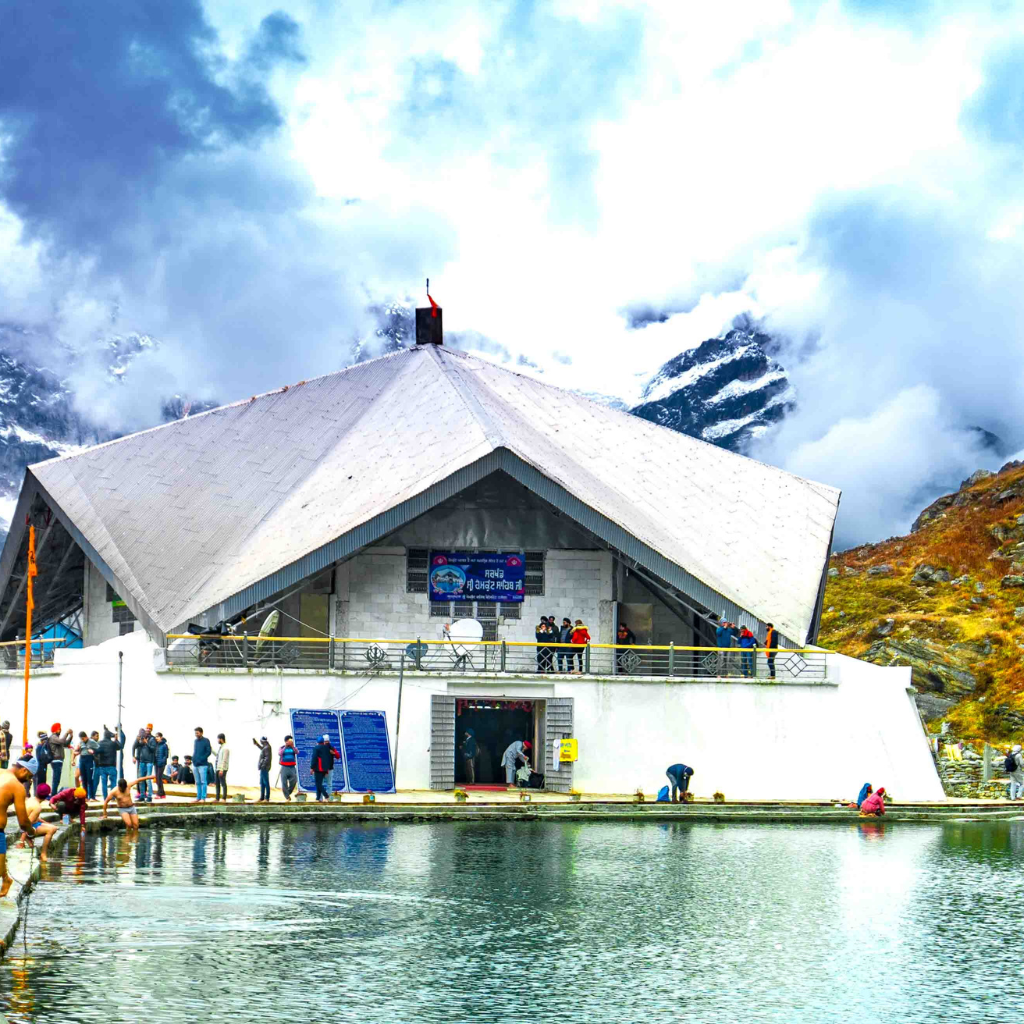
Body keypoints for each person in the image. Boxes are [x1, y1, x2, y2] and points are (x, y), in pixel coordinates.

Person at [0, 755, 38, 897]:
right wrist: (31, 832)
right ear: (23, 770)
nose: (28, 780)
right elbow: (23, 821)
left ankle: (5, 879)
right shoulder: (17, 786)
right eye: (29, 776)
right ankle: (6, 878)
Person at [22, 783, 58, 860]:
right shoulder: (37, 807)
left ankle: (28, 838)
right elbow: (28, 823)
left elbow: (35, 818)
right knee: (51, 830)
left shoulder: (31, 800)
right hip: (30, 829)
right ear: (46, 796)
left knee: (54, 827)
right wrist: (21, 841)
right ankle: (43, 854)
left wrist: (45, 823)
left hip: (33, 825)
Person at [95, 726, 124, 799]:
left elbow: (95, 752)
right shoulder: (113, 743)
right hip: (111, 766)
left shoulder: (99, 743)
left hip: (102, 766)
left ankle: (105, 798)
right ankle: (113, 797)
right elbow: (120, 746)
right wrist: (116, 740)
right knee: (113, 782)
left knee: (104, 783)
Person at [310, 734, 339, 802]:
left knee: (319, 784)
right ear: (323, 741)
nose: (327, 742)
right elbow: (328, 759)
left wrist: (312, 768)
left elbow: (314, 758)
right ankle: (318, 798)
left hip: (319, 769)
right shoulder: (328, 748)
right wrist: (327, 769)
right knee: (325, 784)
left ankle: (326, 796)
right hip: (326, 769)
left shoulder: (316, 748)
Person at [46, 723, 73, 791]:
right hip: (56, 760)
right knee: (56, 779)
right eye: (59, 729)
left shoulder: (57, 738)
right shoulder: (53, 737)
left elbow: (66, 744)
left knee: (57, 779)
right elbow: (62, 741)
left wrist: (71, 736)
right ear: (55, 730)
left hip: (59, 761)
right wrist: (67, 733)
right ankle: (53, 794)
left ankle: (54, 794)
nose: (60, 730)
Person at [132, 725, 156, 803]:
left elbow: (153, 749)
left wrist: (147, 743)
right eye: (147, 728)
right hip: (142, 761)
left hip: (149, 762)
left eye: (149, 729)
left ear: (151, 729)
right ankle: (142, 795)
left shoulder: (152, 739)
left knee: (148, 780)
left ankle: (149, 796)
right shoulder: (142, 737)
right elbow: (134, 746)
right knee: (141, 779)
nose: (148, 730)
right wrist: (137, 739)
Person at [75, 731, 98, 800]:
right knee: (83, 779)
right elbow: (77, 750)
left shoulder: (92, 742)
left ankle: (92, 796)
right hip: (82, 759)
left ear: (86, 737)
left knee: (89, 779)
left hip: (89, 759)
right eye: (81, 739)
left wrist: (93, 751)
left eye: (83, 738)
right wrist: (77, 751)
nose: (82, 740)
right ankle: (85, 796)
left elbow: (99, 749)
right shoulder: (80, 742)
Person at [193, 727, 212, 802]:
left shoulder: (206, 741)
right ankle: (198, 797)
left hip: (203, 764)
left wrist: (202, 759)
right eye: (195, 733)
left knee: (203, 781)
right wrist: (193, 759)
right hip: (195, 764)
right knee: (197, 782)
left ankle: (203, 797)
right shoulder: (195, 741)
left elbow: (208, 751)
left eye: (197, 733)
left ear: (201, 733)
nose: (196, 735)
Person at [253, 736, 272, 802]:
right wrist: (256, 744)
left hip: (264, 767)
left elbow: (267, 758)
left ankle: (267, 798)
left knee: (266, 782)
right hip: (263, 767)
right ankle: (262, 797)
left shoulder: (267, 747)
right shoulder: (266, 747)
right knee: (262, 783)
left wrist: (262, 765)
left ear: (263, 741)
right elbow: (262, 749)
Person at [279, 736, 298, 801]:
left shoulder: (293, 748)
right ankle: (287, 797)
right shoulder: (282, 747)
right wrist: (285, 746)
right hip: (284, 767)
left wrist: (292, 746)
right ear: (286, 741)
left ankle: (288, 793)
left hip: (292, 767)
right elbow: (280, 753)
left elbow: (297, 752)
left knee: (294, 780)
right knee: (284, 782)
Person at [153, 732, 169, 799]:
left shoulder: (164, 745)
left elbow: (166, 755)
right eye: (156, 736)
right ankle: (162, 793)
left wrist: (162, 761)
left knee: (159, 778)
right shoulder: (156, 745)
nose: (156, 738)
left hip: (161, 764)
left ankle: (159, 793)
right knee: (157, 779)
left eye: (158, 736)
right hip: (156, 763)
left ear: (161, 737)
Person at [214, 733, 230, 801]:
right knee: (217, 783)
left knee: (223, 783)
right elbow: (218, 756)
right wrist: (211, 750)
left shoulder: (225, 748)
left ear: (221, 739)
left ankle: (224, 797)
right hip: (218, 768)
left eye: (218, 739)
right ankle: (217, 798)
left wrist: (222, 769)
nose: (217, 740)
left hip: (222, 768)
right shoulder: (221, 748)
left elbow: (224, 759)